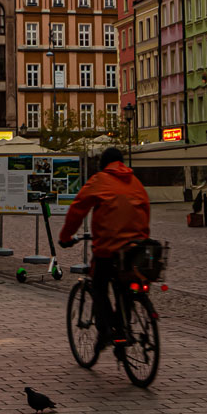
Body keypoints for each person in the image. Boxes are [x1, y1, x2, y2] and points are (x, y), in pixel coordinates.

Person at [59, 147, 151, 349]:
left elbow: (78, 208)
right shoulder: (136, 182)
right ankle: (123, 326)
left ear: (103, 163)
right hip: (136, 249)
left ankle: (108, 330)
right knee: (127, 286)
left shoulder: (99, 180)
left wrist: (65, 236)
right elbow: (145, 209)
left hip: (109, 249)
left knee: (99, 286)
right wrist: (142, 237)